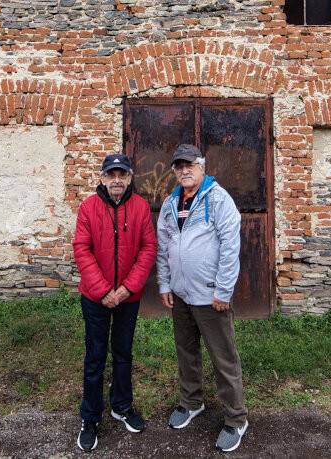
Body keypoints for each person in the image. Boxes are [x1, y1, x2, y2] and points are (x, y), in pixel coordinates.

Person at [156, 144, 248, 452]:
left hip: (210, 296)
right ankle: (191, 402)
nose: (184, 170)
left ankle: (236, 419)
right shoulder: (171, 203)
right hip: (181, 295)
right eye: (179, 166)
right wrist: (165, 285)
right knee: (186, 353)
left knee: (223, 359)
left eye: (189, 165)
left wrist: (223, 290)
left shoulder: (219, 199)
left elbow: (230, 246)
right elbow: (163, 247)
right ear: (174, 171)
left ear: (202, 166)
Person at [72, 153, 157, 452]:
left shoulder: (141, 207)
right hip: (95, 298)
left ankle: (121, 406)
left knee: (123, 353)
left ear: (130, 177)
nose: (117, 180)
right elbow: (82, 249)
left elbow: (148, 248)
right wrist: (104, 290)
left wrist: (125, 290)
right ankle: (90, 417)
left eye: (122, 174)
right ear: (102, 178)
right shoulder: (88, 207)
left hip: (128, 297)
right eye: (111, 174)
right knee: (95, 356)